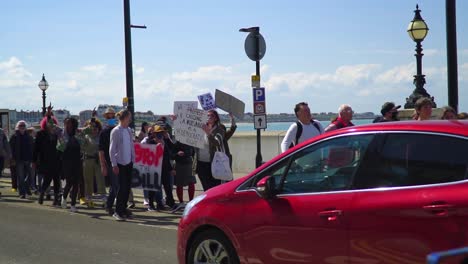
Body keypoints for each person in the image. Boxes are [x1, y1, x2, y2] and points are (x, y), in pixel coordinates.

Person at [197, 110, 234, 191]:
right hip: (200, 163)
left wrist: (208, 133)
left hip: (213, 162)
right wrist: (177, 121)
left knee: (214, 187)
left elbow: (217, 143)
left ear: (216, 118)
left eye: (211, 116)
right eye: (207, 115)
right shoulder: (200, 128)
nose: (209, 117)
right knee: (205, 187)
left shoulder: (219, 129)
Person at [109, 109, 135, 221]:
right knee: (121, 188)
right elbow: (112, 149)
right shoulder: (116, 131)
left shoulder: (128, 130)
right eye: (129, 117)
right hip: (120, 163)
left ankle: (123, 209)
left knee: (127, 187)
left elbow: (131, 145)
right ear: (124, 118)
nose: (130, 119)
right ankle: (117, 211)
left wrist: (133, 159)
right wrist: (114, 164)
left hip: (128, 163)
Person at [33, 108, 61, 206]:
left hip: (56, 160)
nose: (51, 125)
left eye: (52, 123)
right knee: (47, 179)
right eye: (49, 123)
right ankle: (41, 194)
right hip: (45, 160)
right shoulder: (41, 134)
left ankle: (56, 199)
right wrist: (34, 161)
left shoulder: (57, 134)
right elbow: (36, 148)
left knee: (57, 180)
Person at [81, 117, 105, 208]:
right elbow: (81, 146)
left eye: (96, 127)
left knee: (100, 180)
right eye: (92, 127)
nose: (94, 129)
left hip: (98, 160)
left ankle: (104, 199)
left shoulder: (100, 137)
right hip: (88, 159)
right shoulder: (86, 137)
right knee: (88, 180)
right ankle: (89, 199)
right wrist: (89, 126)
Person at [60, 118, 82, 212]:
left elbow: (89, 129)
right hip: (67, 162)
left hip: (77, 162)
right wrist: (48, 116)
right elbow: (59, 150)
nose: (68, 125)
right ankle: (64, 197)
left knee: (76, 183)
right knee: (69, 183)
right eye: (67, 123)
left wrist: (93, 118)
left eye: (70, 123)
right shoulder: (62, 135)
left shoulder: (78, 133)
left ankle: (73, 204)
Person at [100, 107, 118, 215]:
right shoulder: (104, 132)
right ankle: (112, 205)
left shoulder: (117, 130)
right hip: (109, 161)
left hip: (118, 161)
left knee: (115, 185)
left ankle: (110, 205)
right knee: (115, 185)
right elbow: (101, 150)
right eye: (109, 115)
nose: (110, 117)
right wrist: (103, 165)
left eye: (112, 115)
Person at [9, 121, 33, 199]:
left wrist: (32, 158)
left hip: (27, 159)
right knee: (20, 177)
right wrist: (12, 158)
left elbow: (32, 148)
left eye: (23, 126)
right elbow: (11, 148)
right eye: (20, 126)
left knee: (29, 176)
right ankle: (22, 193)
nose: (22, 127)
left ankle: (27, 189)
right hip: (19, 160)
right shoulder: (14, 136)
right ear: (18, 127)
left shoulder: (28, 136)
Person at [172, 141, 196, 212]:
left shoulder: (191, 143)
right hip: (179, 164)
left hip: (189, 164)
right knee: (179, 184)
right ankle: (181, 202)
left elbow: (193, 153)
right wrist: (177, 154)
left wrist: (185, 153)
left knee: (191, 183)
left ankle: (191, 201)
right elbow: (172, 155)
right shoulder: (176, 143)